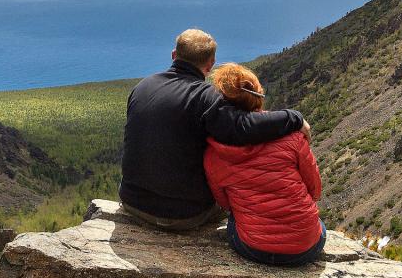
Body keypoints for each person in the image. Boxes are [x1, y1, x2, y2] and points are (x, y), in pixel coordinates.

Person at [119, 29, 310, 231]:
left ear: (174, 55)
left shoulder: (142, 86)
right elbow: (243, 128)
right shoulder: (206, 97)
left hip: (132, 202)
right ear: (210, 64)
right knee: (233, 200)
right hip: (184, 214)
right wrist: (294, 118)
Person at [204, 63, 325, 266]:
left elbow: (225, 203)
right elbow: (315, 189)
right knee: (318, 224)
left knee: (235, 219)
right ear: (257, 96)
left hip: (252, 248)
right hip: (305, 247)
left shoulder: (214, 151)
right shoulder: (294, 137)